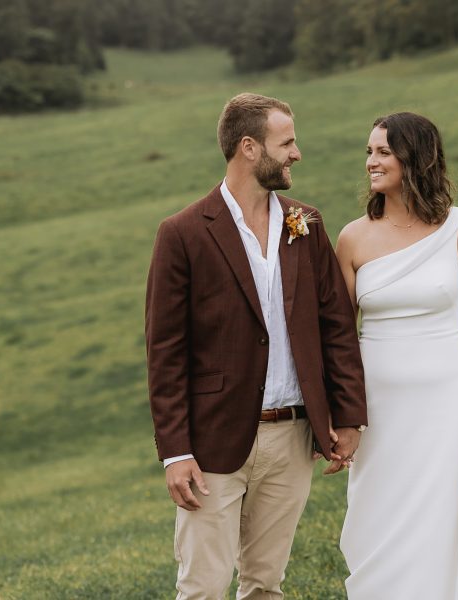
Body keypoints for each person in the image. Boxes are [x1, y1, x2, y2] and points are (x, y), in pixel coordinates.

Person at [145, 92, 367, 600]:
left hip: (291, 438)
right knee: (202, 587)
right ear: (249, 148)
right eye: (286, 142)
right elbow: (165, 352)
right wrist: (175, 451)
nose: (296, 153)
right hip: (212, 441)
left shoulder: (305, 223)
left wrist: (348, 415)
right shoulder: (181, 234)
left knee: (266, 585)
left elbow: (335, 324)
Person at [335, 112, 458, 599]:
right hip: (379, 402)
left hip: (446, 393)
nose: (371, 162)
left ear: (414, 158)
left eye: (383, 152)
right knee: (379, 507)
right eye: (369, 152)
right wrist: (340, 410)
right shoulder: (352, 238)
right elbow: (338, 334)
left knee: (446, 505)